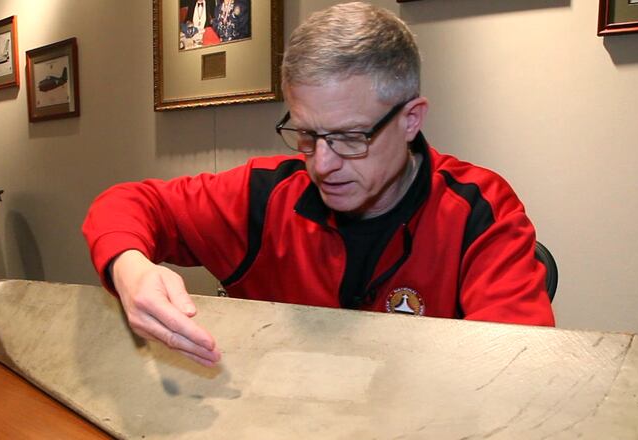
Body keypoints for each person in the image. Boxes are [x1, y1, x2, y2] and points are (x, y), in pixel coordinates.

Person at [82, 2, 554, 368]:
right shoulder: (263, 196)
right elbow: (127, 203)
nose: (323, 164)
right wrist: (131, 268)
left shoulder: (478, 208)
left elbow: (517, 372)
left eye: (351, 137)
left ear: (411, 120)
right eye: (307, 134)